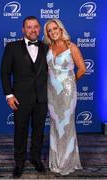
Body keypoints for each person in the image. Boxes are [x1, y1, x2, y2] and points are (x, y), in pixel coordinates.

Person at [1, 16, 48, 178]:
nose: (33, 30)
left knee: (39, 131)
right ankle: (19, 162)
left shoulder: (46, 47)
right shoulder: (12, 47)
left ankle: (36, 158)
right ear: (23, 29)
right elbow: (5, 73)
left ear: (40, 29)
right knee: (20, 131)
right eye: (29, 27)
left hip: (42, 98)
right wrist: (9, 95)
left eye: (35, 27)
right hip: (20, 98)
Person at [44, 19, 86, 175]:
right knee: (55, 125)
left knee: (66, 125)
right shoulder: (48, 47)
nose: (53, 31)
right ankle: (56, 161)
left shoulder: (71, 46)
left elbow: (82, 68)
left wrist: (69, 82)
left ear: (61, 29)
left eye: (55, 28)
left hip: (67, 93)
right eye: (49, 30)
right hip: (52, 92)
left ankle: (67, 162)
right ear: (47, 33)